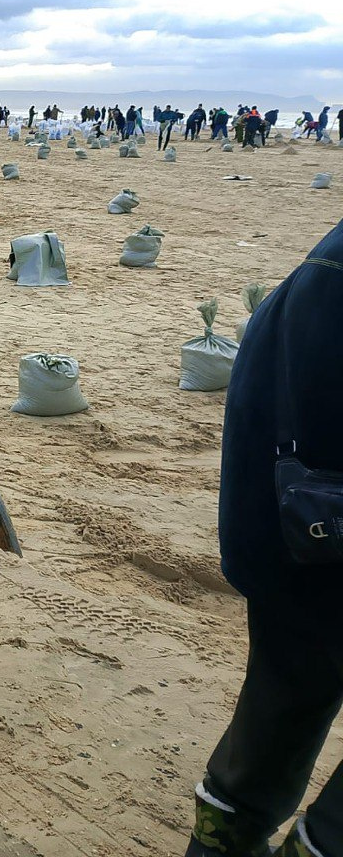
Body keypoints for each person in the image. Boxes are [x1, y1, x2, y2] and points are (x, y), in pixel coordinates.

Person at [182, 218, 343, 857]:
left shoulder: (319, 271)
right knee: (279, 709)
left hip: (285, 543)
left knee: (275, 715)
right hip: (303, 546)